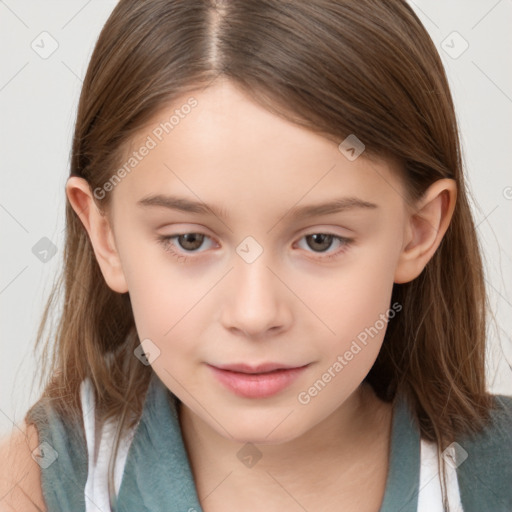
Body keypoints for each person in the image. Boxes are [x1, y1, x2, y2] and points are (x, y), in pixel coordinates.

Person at [1, 1, 510, 511]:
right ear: (105, 236)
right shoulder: (34, 484)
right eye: (190, 240)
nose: (255, 313)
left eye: (320, 241)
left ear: (417, 232)